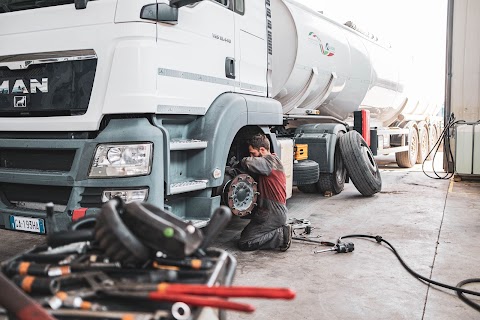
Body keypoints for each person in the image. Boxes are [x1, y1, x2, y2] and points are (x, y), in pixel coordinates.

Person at [237, 133, 292, 251]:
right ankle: (277, 230)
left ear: (262, 150)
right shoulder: (274, 159)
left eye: (253, 153)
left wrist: (242, 159)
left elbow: (247, 162)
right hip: (273, 210)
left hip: (273, 212)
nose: (251, 156)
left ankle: (281, 235)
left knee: (245, 243)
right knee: (245, 234)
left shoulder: (268, 163)